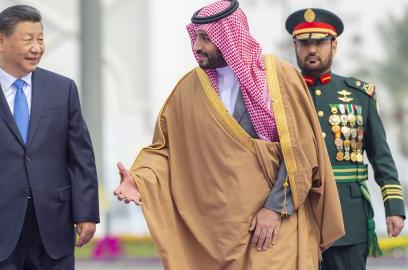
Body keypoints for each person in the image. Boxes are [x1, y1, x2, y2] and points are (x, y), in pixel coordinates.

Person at [114, 1, 344, 268]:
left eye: (205, 38)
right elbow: (165, 150)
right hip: (218, 232)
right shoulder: (188, 89)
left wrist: (274, 209)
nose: (197, 46)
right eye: (195, 37)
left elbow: (301, 150)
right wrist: (141, 180)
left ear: (230, 36)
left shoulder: (278, 77)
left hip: (276, 225)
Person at [0, 5, 99, 269]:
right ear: (0, 41)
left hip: (52, 229)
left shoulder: (63, 89)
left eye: (40, 38)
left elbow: (81, 156)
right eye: (28, 39)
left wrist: (86, 213)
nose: (37, 47)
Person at [285, 8, 406, 270]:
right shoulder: (281, 96)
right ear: (295, 46)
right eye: (304, 43)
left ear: (334, 45)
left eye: (319, 42)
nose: (312, 49)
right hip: (297, 216)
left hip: (348, 218)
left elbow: (381, 156)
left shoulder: (360, 95)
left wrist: (393, 205)